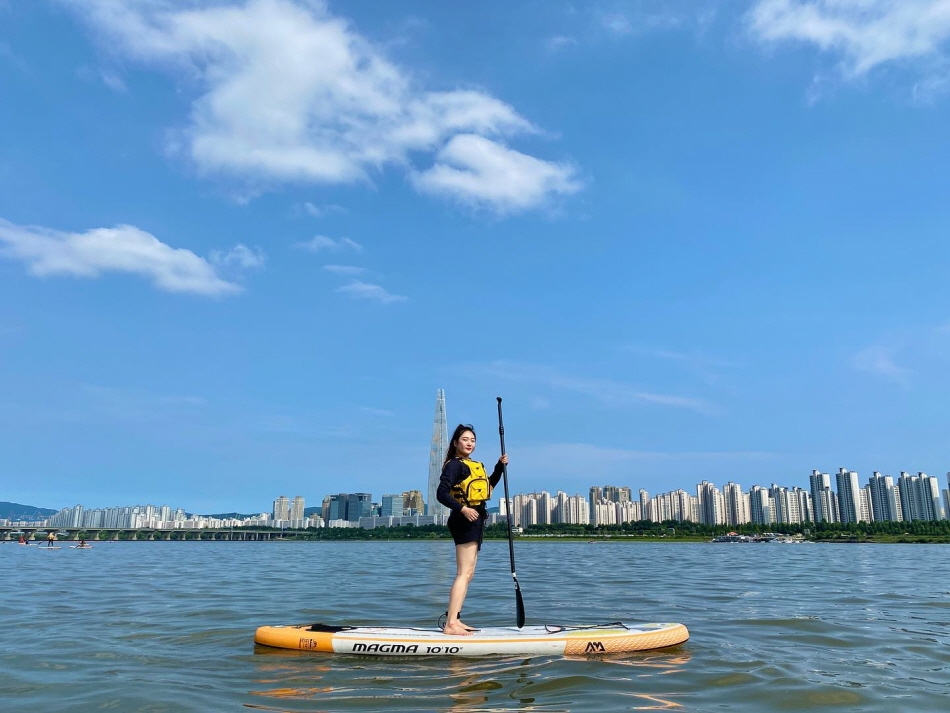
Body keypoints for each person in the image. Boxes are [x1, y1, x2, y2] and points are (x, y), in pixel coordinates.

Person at [436, 423, 508, 636]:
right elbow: (441, 493)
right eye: (465, 439)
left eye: (473, 440)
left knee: (468, 574)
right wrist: (463, 509)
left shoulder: (474, 465)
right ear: (456, 443)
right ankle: (450, 624)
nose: (469, 443)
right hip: (464, 519)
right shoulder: (454, 465)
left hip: (476, 519)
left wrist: (499, 467)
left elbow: (488, 487)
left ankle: (455, 620)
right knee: (463, 573)